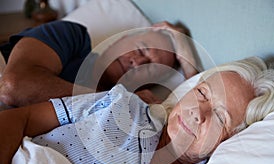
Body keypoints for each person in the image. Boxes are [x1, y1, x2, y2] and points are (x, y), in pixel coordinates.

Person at [0, 57, 274, 164]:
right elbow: (15, 119)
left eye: (220, 117)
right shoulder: (121, 104)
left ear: (234, 140)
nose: (197, 113)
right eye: (203, 93)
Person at [0, 20, 199, 107]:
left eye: (149, 68)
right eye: (141, 50)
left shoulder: (127, 111)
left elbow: (192, 108)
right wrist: (114, 99)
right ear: (122, 38)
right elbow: (13, 87)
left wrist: (188, 61)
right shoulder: (72, 37)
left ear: (146, 86)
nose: (136, 62)